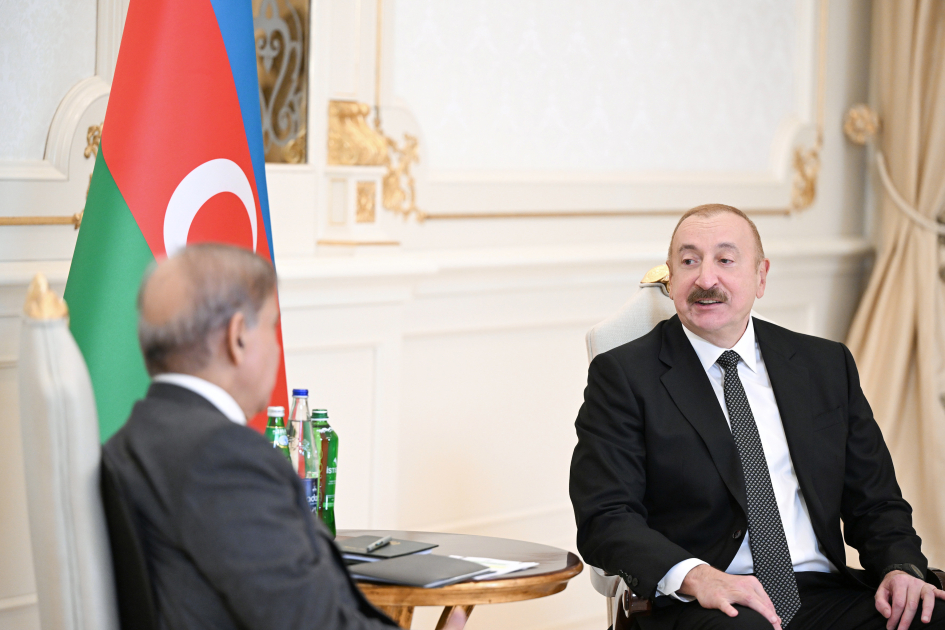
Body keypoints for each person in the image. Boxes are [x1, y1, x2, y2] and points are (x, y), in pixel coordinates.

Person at [569, 204, 945, 630]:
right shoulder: (624, 376)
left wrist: (900, 567)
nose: (706, 279)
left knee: (929, 615)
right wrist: (696, 576)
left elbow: (876, 501)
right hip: (705, 601)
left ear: (761, 276)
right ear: (671, 279)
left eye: (725, 260)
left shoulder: (824, 364)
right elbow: (605, 517)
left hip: (823, 592)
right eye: (689, 261)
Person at [102, 244, 463, 630]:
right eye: (272, 325)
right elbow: (310, 622)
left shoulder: (128, 441)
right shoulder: (222, 457)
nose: (277, 346)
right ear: (238, 338)